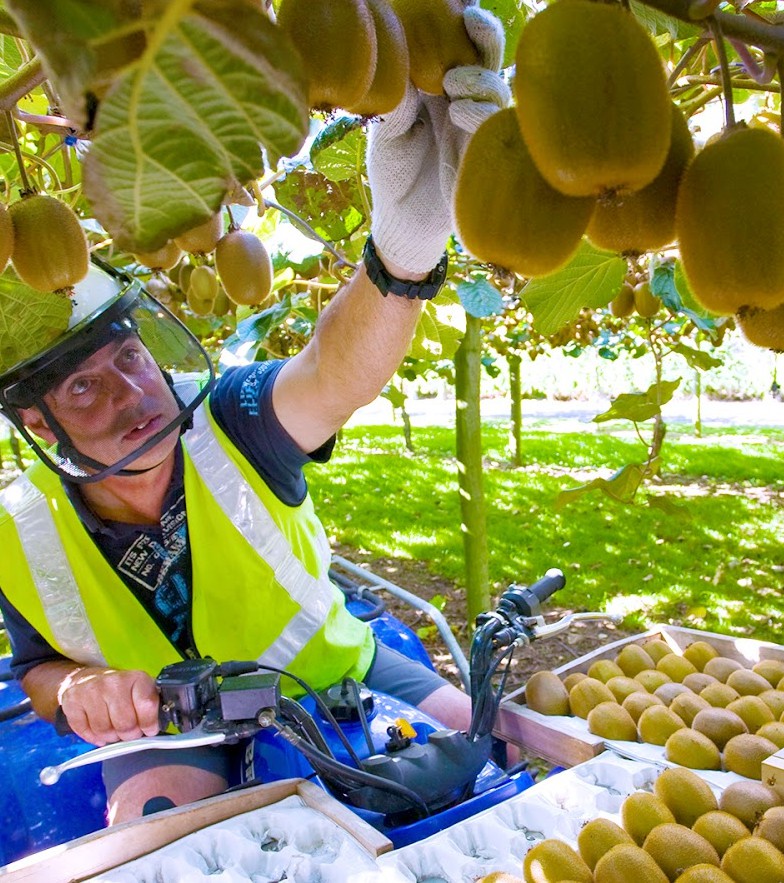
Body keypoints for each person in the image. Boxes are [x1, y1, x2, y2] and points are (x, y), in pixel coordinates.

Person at [0, 8, 511, 825]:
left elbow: (330, 374)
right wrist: (80, 687)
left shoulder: (227, 417)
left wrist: (402, 256)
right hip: (175, 729)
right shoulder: (16, 523)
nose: (132, 392)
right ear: (42, 429)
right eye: (84, 390)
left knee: (503, 744)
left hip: (348, 670)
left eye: (128, 357)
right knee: (149, 830)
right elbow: (35, 663)